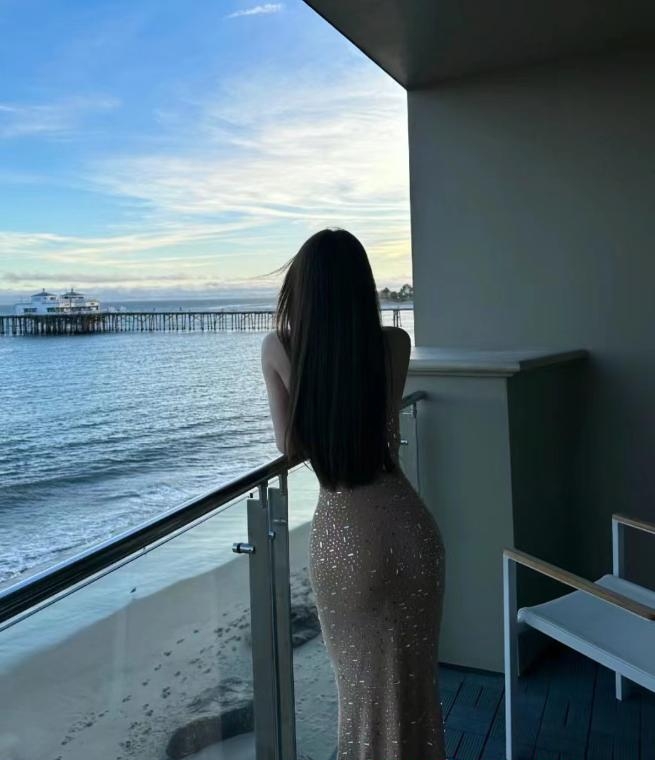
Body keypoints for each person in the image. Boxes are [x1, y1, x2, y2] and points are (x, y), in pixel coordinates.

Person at [260, 228, 446, 760]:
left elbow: (289, 446)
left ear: (301, 292)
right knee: (414, 696)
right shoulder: (394, 344)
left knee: (362, 703)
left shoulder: (279, 348)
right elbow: (380, 416)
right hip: (411, 531)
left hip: (346, 536)